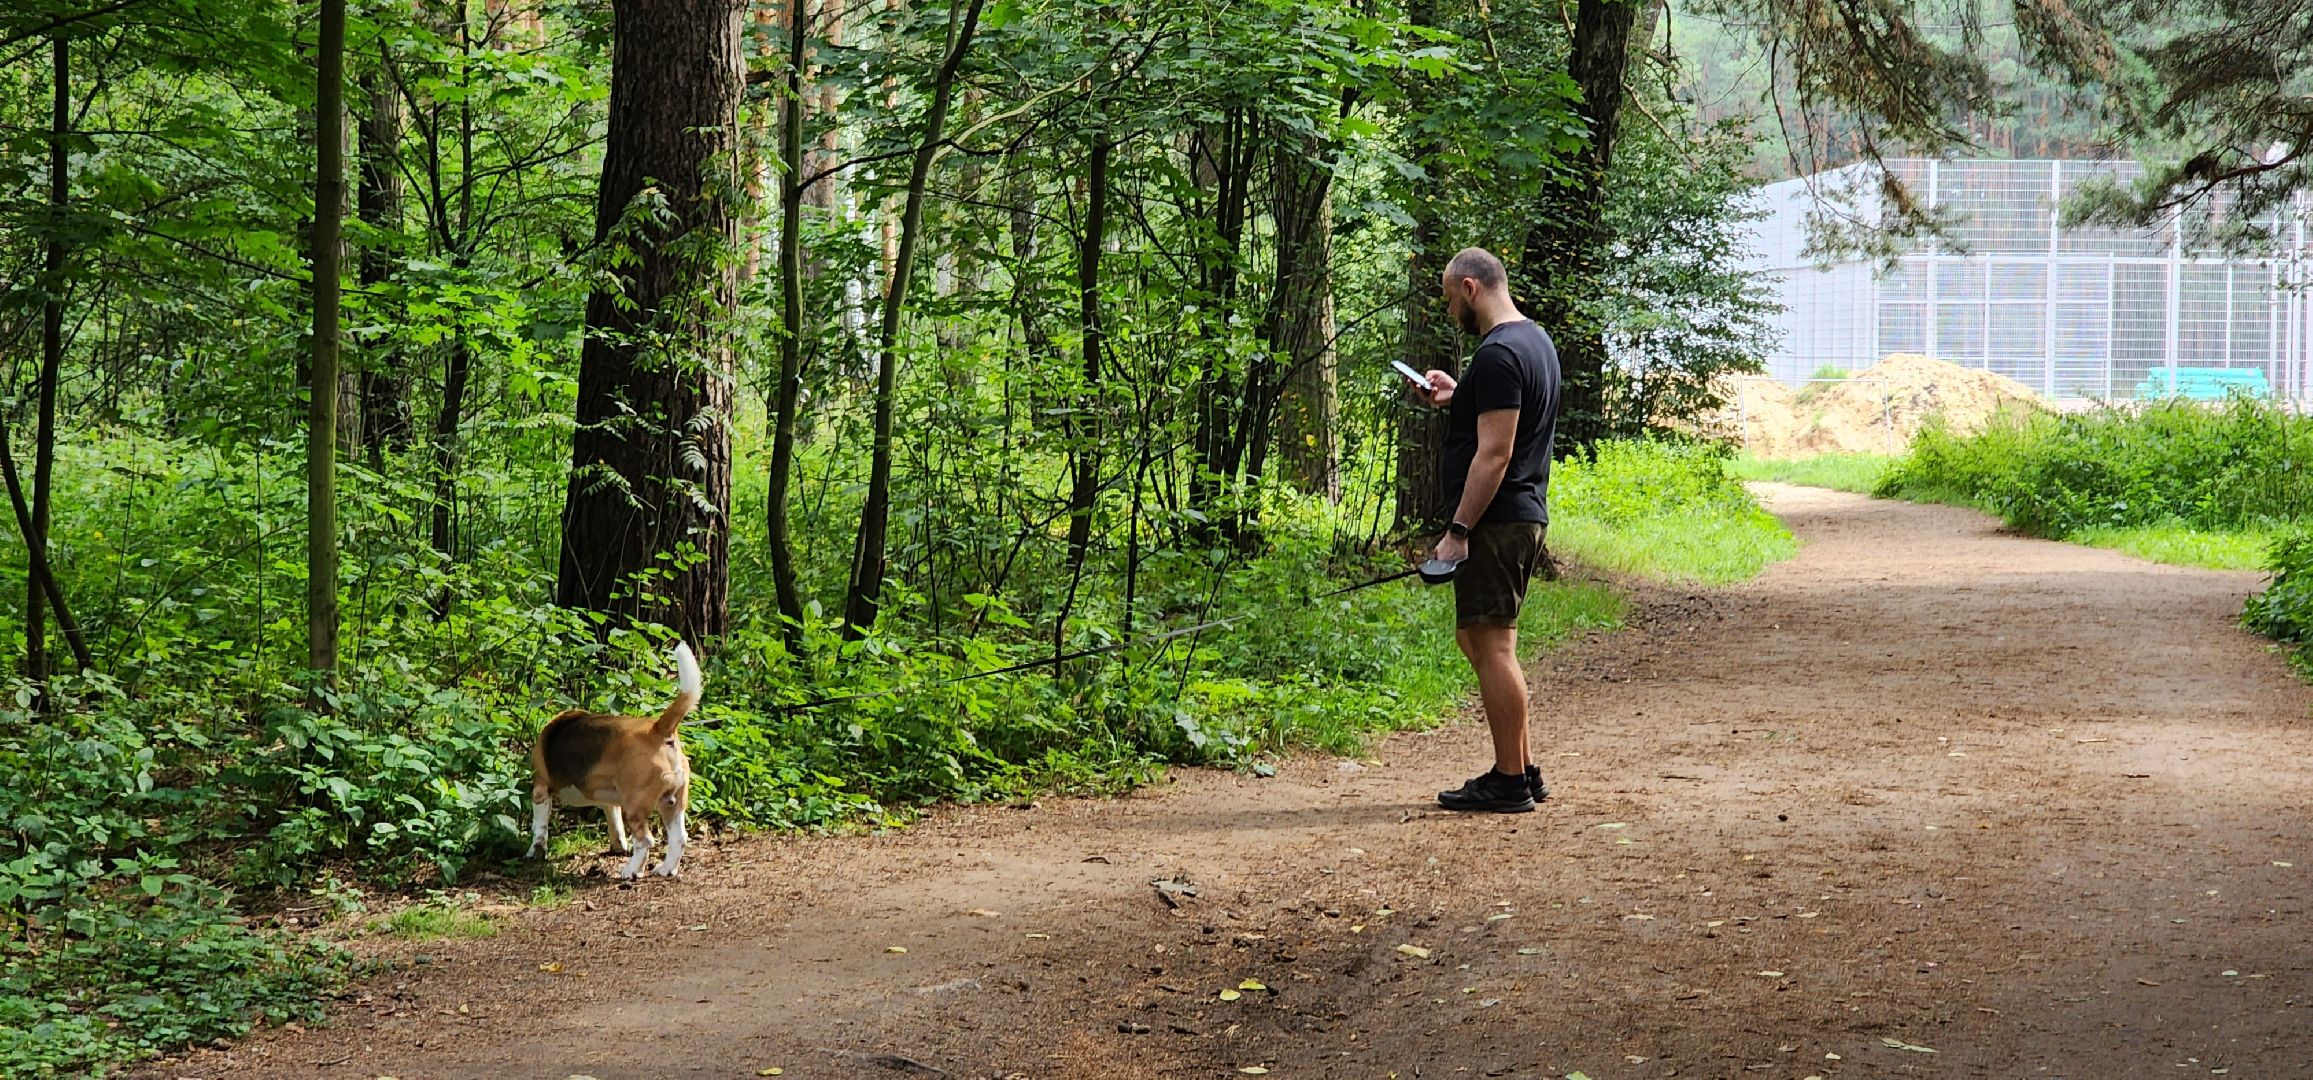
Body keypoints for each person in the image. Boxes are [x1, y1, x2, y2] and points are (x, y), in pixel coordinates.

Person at [1409, 247, 1561, 814]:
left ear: (1470, 287)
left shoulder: (1498, 354)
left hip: (1497, 520)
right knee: (1481, 639)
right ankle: (1522, 767)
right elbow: (1502, 419)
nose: (1451, 311)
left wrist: (1458, 530)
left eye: (1451, 299)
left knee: (1491, 644)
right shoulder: (1532, 342)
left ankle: (1508, 781)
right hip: (1519, 515)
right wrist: (1458, 394)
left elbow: (1494, 455)